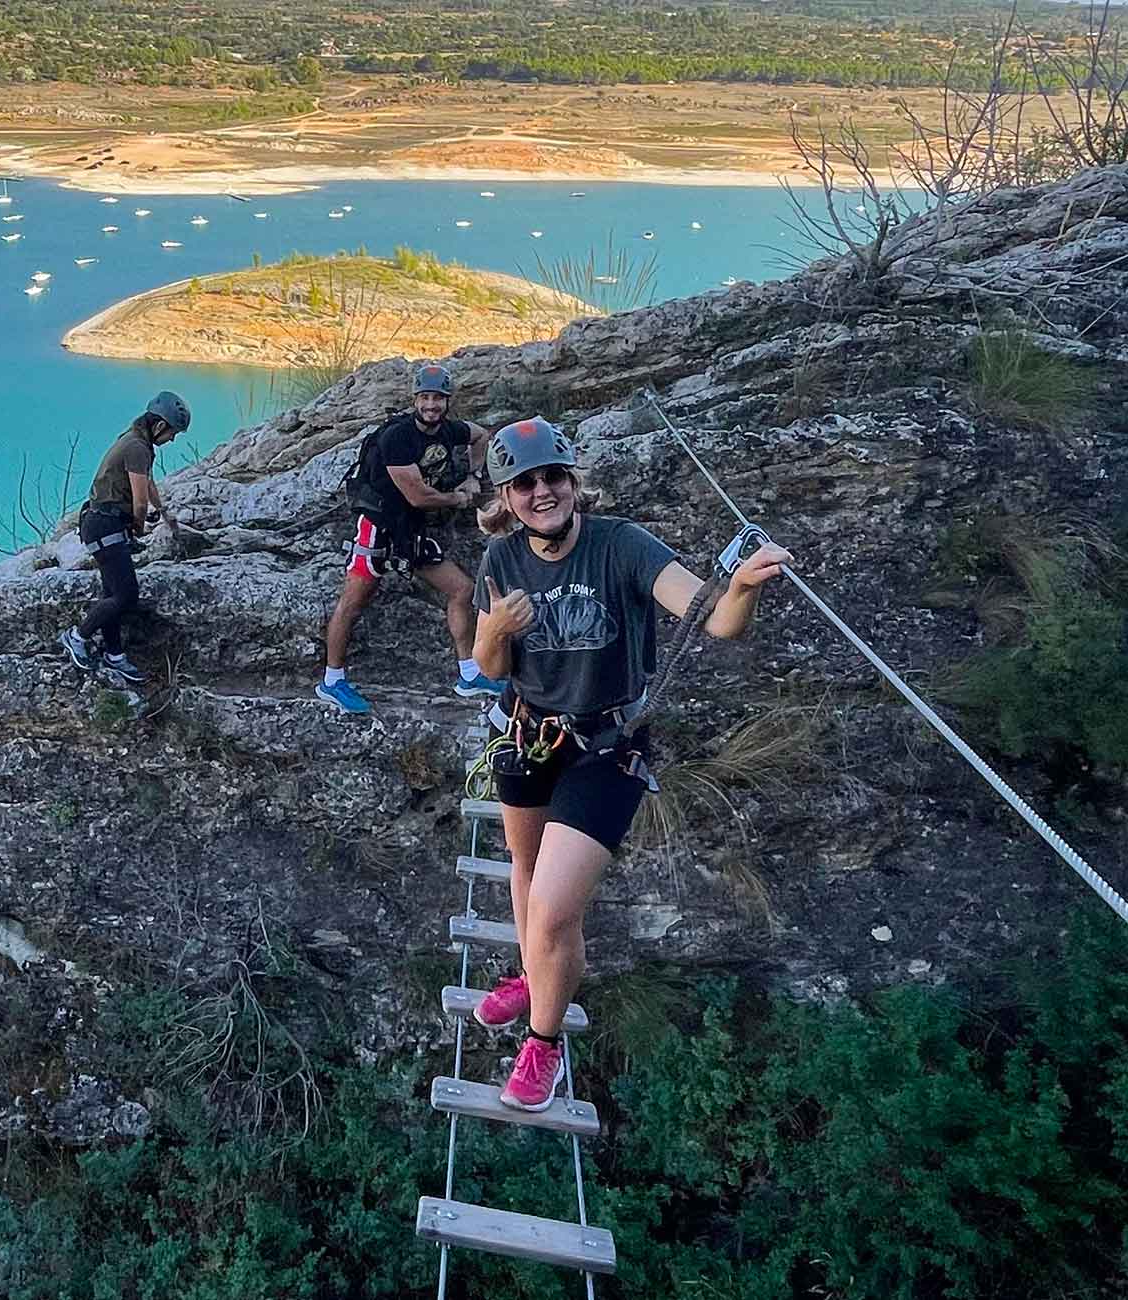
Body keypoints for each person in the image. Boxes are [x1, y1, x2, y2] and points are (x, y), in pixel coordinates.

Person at [467, 418, 792, 1110]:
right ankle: (534, 974)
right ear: (507, 496)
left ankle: (543, 1040)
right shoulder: (500, 562)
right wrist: (494, 631)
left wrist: (743, 587)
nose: (542, 491)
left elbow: (713, 617)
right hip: (528, 738)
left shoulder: (620, 545)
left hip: (607, 747)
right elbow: (491, 664)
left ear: (573, 481)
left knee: (554, 911)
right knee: (526, 872)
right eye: (525, 483)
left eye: (553, 476)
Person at [318, 362, 502, 714]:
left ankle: (469, 674)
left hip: (412, 530)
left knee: (462, 590)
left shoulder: (450, 430)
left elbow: (481, 436)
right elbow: (417, 495)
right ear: (415, 399)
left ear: (448, 401)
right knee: (353, 603)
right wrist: (457, 498)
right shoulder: (398, 437)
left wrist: (474, 475)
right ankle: (332, 680)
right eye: (425, 398)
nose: (431, 405)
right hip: (379, 526)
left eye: (438, 399)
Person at [59, 391, 188, 687]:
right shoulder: (138, 448)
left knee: (112, 594)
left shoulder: (134, 440)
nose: (172, 440)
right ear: (159, 426)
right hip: (103, 524)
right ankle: (77, 637)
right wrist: (139, 526)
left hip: (103, 521)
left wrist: (165, 512)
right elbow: (139, 501)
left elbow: (148, 483)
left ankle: (114, 655)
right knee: (126, 596)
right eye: (172, 433)